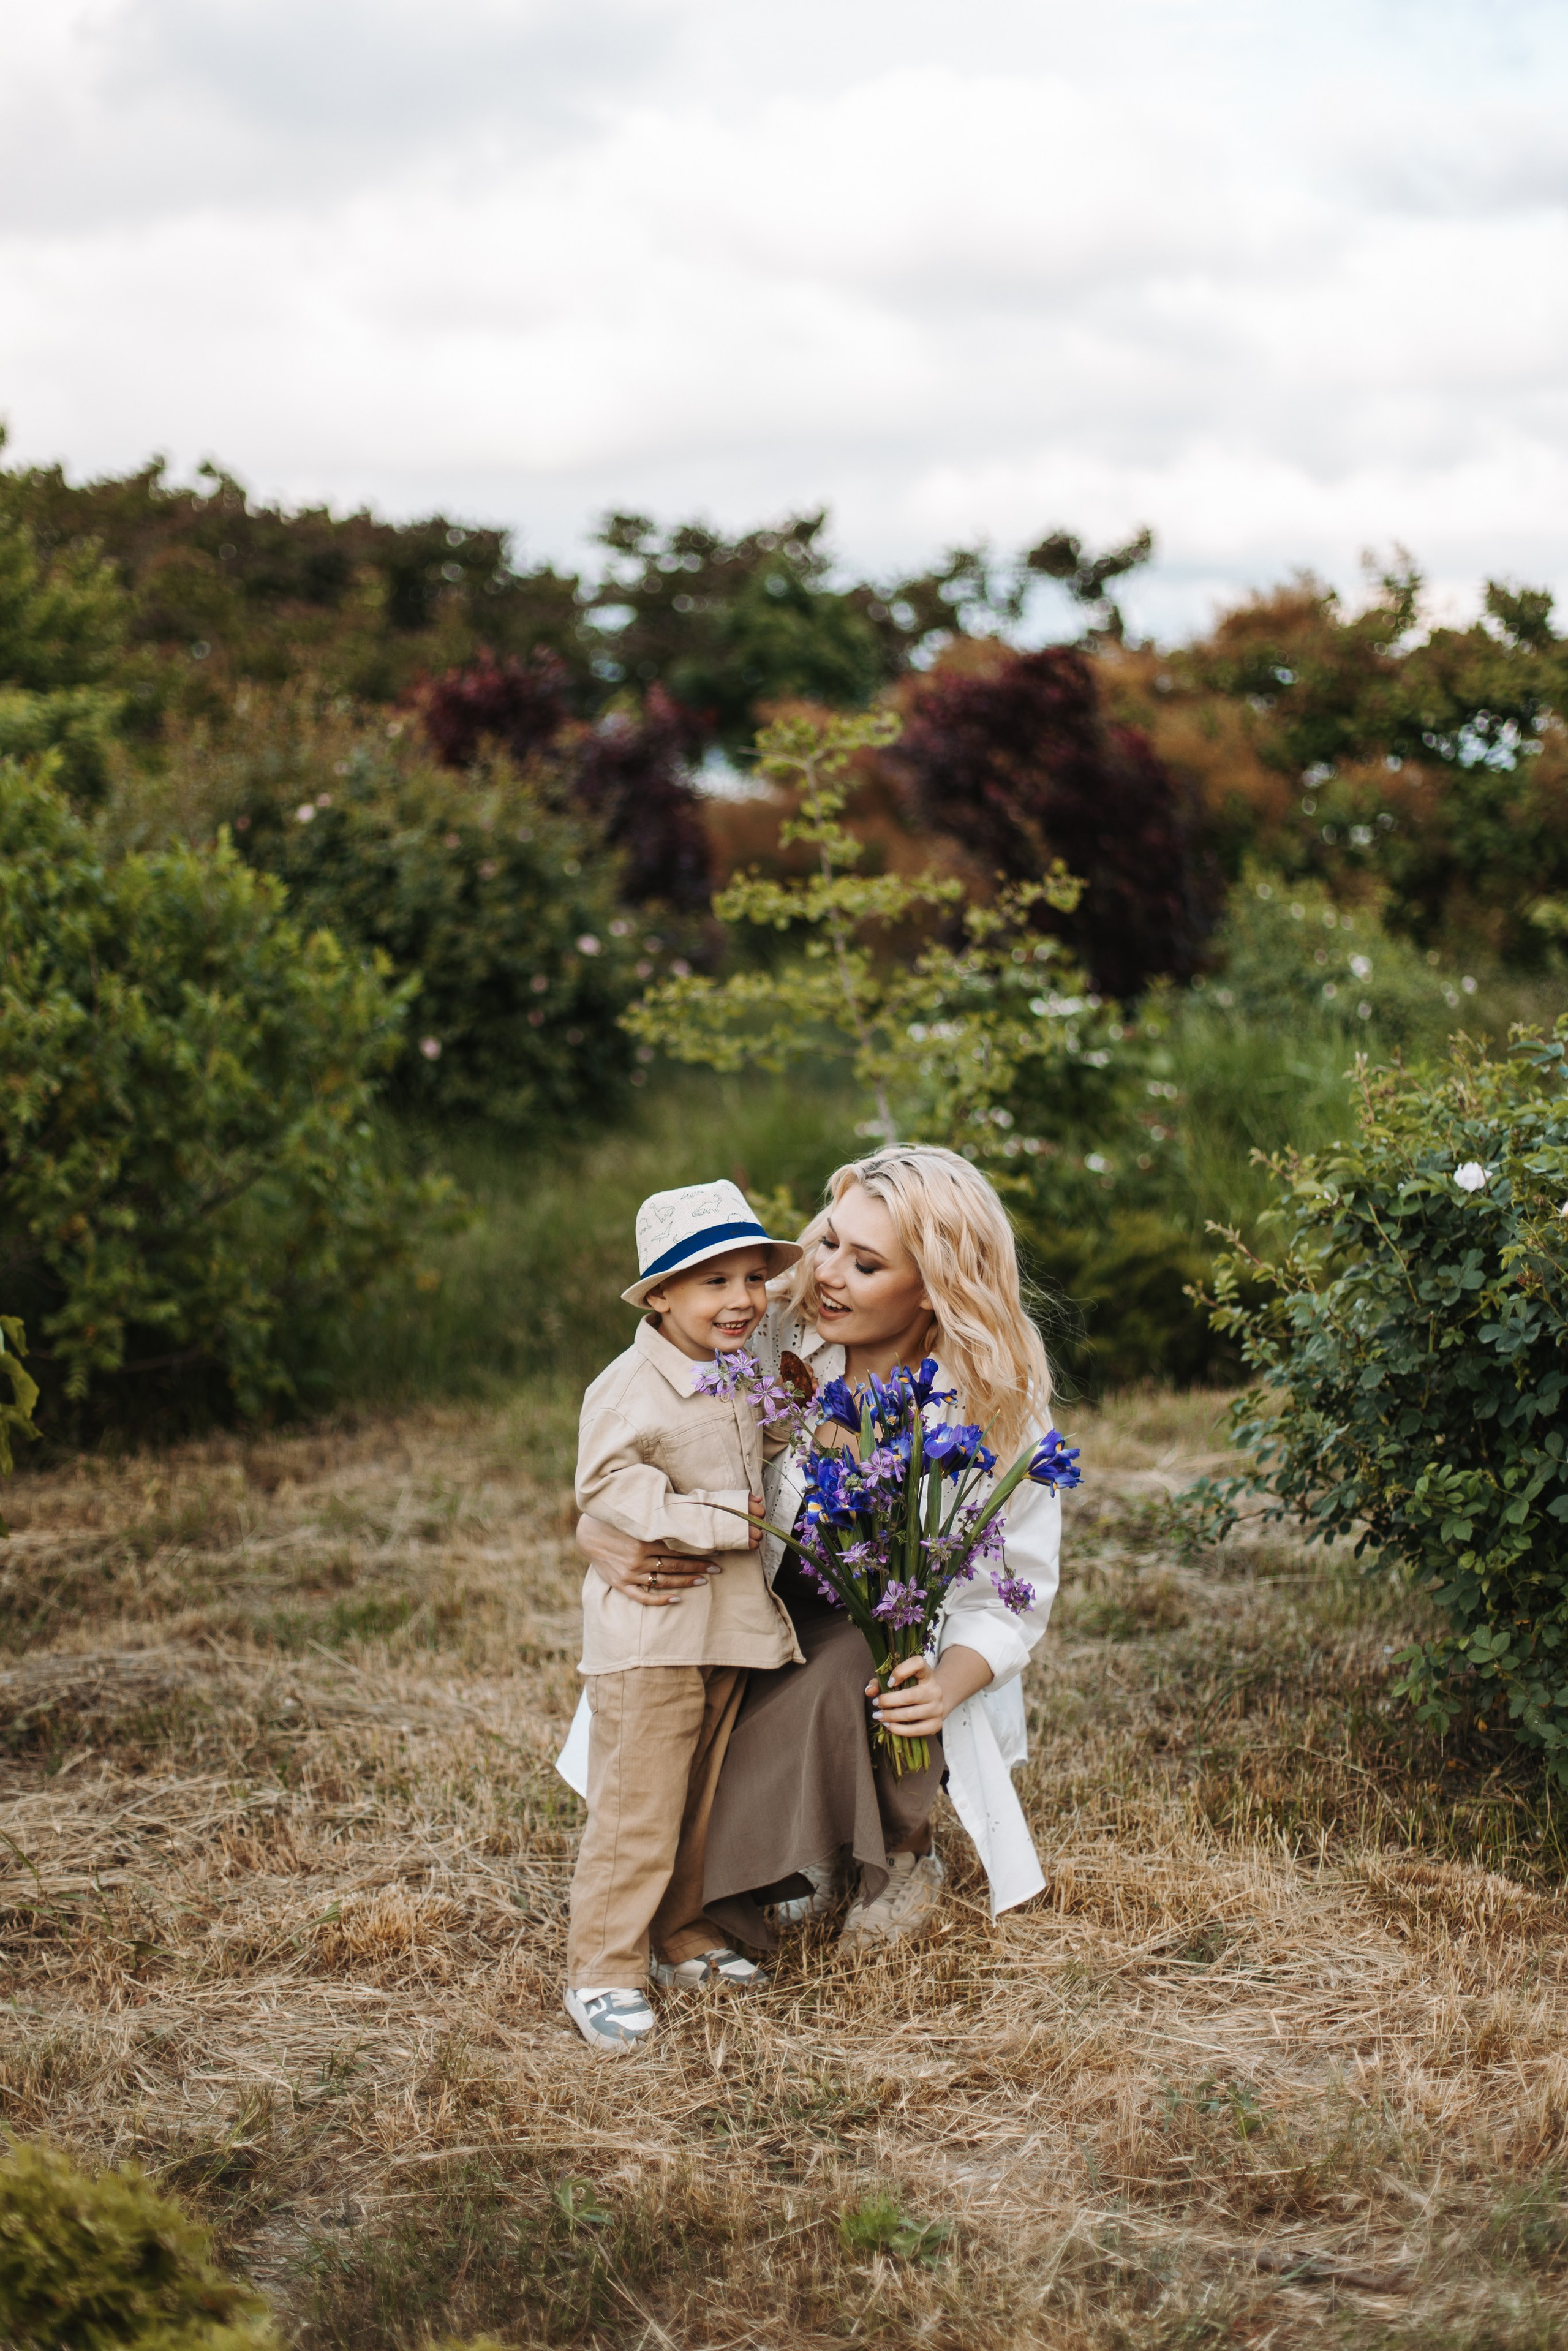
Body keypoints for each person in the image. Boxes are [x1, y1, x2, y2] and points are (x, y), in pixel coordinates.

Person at [565, 1145, 1061, 1962]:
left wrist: (946, 1685)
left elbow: (1013, 1592)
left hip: (880, 1648)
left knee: (857, 1662)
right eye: (829, 1241)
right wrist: (596, 1529)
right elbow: (637, 1424)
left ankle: (898, 1852)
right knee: (677, 1758)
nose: (826, 1273)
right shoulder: (768, 1331)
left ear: (936, 1286)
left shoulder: (995, 1405)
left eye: (865, 1263)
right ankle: (781, 1854)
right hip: (744, 1614)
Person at [561, 1178, 803, 2056]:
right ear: (660, 1294)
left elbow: (756, 1444)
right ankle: (602, 1965)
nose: (742, 1299)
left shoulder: (740, 1371)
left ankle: (681, 1932)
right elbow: (610, 1487)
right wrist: (720, 1518)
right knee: (638, 1803)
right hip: (655, 1632)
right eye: (715, 1282)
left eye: (752, 1278)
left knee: (700, 1795)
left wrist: (786, 1424)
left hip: (724, 1626)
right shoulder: (629, 1388)